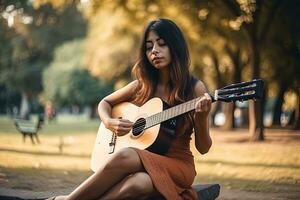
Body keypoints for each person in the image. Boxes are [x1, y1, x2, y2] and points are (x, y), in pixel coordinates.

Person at [48, 18, 212, 200]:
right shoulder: (143, 85)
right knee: (138, 183)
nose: (154, 51)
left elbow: (204, 148)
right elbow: (105, 103)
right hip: (145, 162)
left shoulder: (195, 88)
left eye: (162, 44)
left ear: (176, 47)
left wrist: (202, 118)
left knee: (127, 155)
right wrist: (110, 122)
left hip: (178, 165)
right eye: (149, 47)